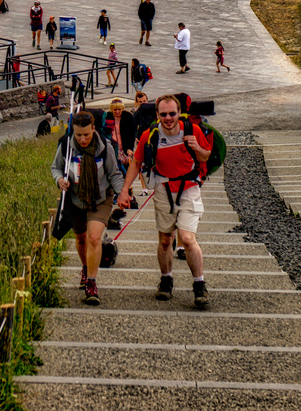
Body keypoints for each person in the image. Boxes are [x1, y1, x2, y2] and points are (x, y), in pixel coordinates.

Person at [119, 94, 211, 309]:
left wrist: (196, 147)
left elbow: (206, 155)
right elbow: (136, 163)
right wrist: (125, 190)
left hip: (189, 188)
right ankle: (166, 280)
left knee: (187, 239)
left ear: (179, 113)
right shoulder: (150, 135)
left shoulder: (192, 130)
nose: (168, 118)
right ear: (157, 115)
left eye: (172, 113)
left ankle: (199, 284)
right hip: (162, 189)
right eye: (163, 114)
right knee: (165, 240)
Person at [53, 110, 128, 306]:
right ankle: (86, 268)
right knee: (80, 238)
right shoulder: (65, 146)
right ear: (73, 132)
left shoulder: (104, 147)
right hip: (76, 198)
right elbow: (56, 167)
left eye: (86, 134)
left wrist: (122, 193)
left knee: (94, 238)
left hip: (100, 198)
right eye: (78, 135)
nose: (83, 139)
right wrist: (60, 180)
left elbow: (114, 174)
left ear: (94, 129)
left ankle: (91, 283)